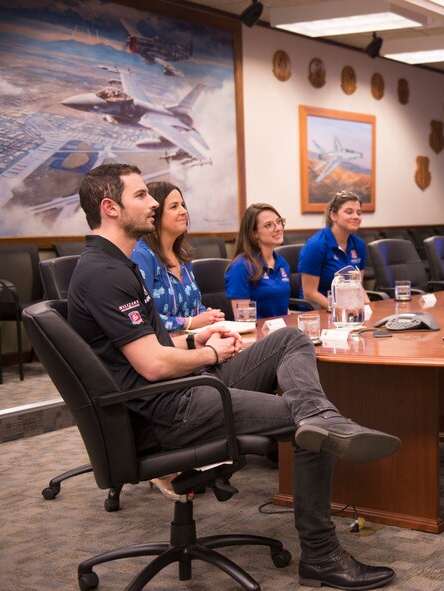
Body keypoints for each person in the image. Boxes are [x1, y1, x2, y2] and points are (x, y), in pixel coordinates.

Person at [68, 163, 400, 589]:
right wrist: (209, 351)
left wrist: (196, 339)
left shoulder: (120, 263)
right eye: (141, 196)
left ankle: (322, 415)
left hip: (180, 388)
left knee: (291, 340)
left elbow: (145, 349)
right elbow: (151, 364)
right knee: (309, 426)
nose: (152, 202)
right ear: (110, 208)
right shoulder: (105, 273)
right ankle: (321, 555)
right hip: (170, 408)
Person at [130, 182, 225, 333]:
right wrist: (190, 322)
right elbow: (143, 316)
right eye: (174, 206)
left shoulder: (182, 255)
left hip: (193, 342)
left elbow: (193, 305)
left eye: (182, 205)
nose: (184, 211)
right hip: (163, 349)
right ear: (155, 213)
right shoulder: (141, 255)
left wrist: (208, 315)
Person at [298, 191, 369, 310]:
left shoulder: (359, 244)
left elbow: (358, 286)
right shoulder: (316, 245)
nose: (356, 216)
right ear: (333, 216)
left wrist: (368, 307)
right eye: (349, 212)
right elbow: (309, 293)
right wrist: (341, 310)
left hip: (349, 311)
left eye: (359, 212)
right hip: (318, 312)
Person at [224, 203, 293, 319]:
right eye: (268, 225)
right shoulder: (240, 266)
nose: (279, 228)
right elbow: (244, 320)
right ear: (254, 233)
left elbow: (283, 309)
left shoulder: (282, 263)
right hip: (259, 334)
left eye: (279, 221)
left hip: (282, 332)